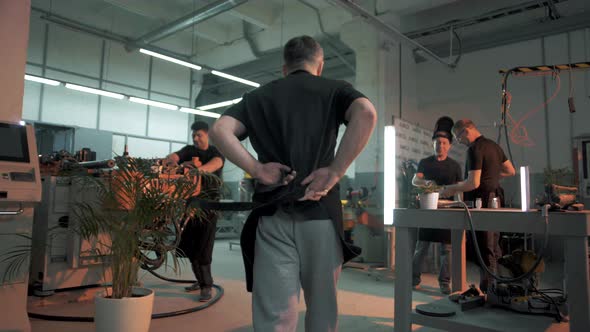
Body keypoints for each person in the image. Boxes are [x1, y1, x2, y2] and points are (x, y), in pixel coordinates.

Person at [209, 35, 377, 332]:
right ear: (319, 65)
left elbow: (221, 130)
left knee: (275, 315)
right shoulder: (334, 89)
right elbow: (366, 113)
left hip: (272, 214)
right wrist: (336, 170)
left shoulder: (258, 97)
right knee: (322, 308)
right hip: (320, 211)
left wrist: (257, 168)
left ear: (284, 67)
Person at [440, 119, 515, 293]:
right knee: (494, 246)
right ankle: (496, 288)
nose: (458, 141)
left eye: (457, 137)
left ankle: (489, 292)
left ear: (466, 131)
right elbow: (511, 171)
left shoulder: (474, 149)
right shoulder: (494, 147)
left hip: (483, 200)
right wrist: (491, 177)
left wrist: (449, 189)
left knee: (485, 247)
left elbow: (473, 183)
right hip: (497, 199)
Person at [165, 120, 224, 301]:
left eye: (199, 135)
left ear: (208, 136)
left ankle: (206, 285)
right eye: (194, 135)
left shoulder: (215, 152)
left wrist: (196, 171)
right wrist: (172, 163)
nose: (196, 138)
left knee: (203, 249)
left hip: (208, 207)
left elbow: (215, 164)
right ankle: (199, 281)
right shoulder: (189, 151)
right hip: (189, 206)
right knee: (190, 246)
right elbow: (173, 157)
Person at [412, 116, 462, 294]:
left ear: (449, 145)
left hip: (447, 211)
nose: (440, 145)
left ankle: (444, 283)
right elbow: (415, 181)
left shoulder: (455, 166)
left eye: (443, 142)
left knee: (446, 250)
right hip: (427, 210)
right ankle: (414, 279)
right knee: (421, 247)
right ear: (432, 144)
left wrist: (460, 206)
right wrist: (426, 184)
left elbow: (459, 190)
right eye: (437, 142)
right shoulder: (425, 163)